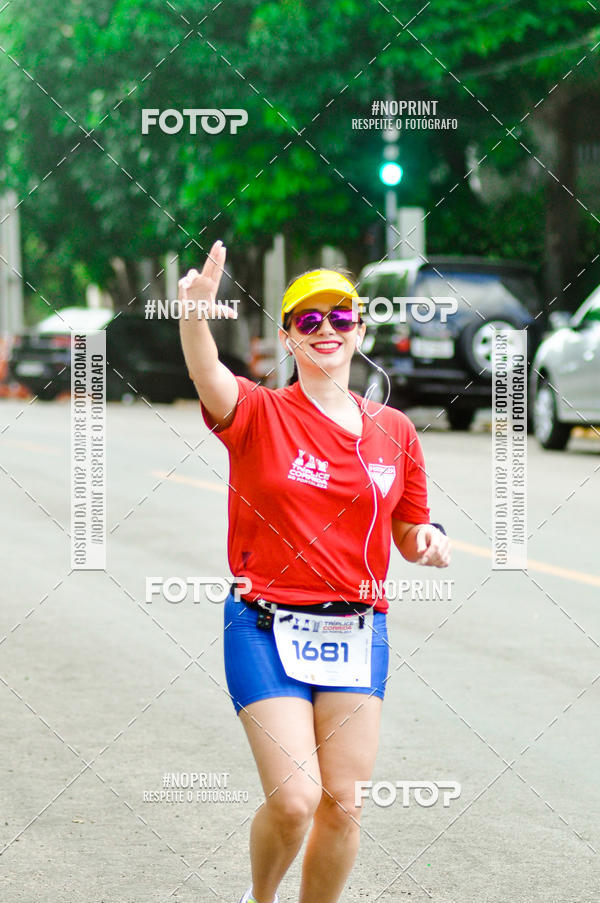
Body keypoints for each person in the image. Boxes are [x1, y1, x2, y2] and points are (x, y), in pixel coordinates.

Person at [178, 239, 451, 903]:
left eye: (340, 317)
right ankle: (262, 897)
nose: (326, 330)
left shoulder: (394, 432)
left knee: (343, 802)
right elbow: (208, 372)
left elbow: (411, 530)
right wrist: (194, 316)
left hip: (357, 631)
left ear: (361, 329)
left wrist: (429, 540)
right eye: (308, 320)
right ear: (287, 337)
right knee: (297, 798)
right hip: (265, 625)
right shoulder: (259, 413)